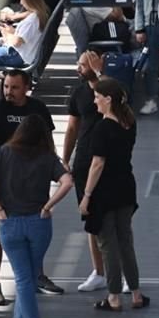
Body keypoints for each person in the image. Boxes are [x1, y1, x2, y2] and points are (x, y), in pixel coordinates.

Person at [0, 114, 73, 318]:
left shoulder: (4, 153)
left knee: (26, 277)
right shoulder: (47, 157)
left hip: (8, 224)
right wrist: (49, 205)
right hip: (38, 223)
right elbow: (68, 182)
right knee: (26, 277)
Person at [0, 70, 61, 304]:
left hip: (34, 182)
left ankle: (38, 276)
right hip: (6, 183)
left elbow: (49, 142)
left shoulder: (38, 110)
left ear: (26, 88)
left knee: (36, 230)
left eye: (14, 87)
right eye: (6, 87)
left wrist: (51, 166)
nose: (8, 92)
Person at [79, 78, 149, 310]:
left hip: (105, 192)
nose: (95, 101)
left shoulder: (102, 128)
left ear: (108, 99)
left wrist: (87, 194)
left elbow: (97, 164)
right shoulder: (129, 122)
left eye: (98, 97)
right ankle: (136, 293)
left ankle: (114, 296)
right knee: (125, 241)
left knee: (108, 244)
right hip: (126, 187)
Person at [62, 51, 107, 292]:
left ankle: (117, 270)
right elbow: (71, 128)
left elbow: (116, 103)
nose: (78, 69)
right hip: (83, 162)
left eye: (82, 65)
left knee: (112, 219)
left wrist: (99, 74)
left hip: (108, 162)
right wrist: (65, 158)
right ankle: (98, 271)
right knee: (90, 219)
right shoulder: (78, 92)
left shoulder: (108, 88)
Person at [0, 0, 49, 68]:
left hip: (16, 56)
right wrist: (12, 32)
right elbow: (24, 38)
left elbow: (17, 42)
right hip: (19, 54)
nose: (21, 3)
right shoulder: (38, 15)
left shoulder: (32, 21)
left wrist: (7, 33)